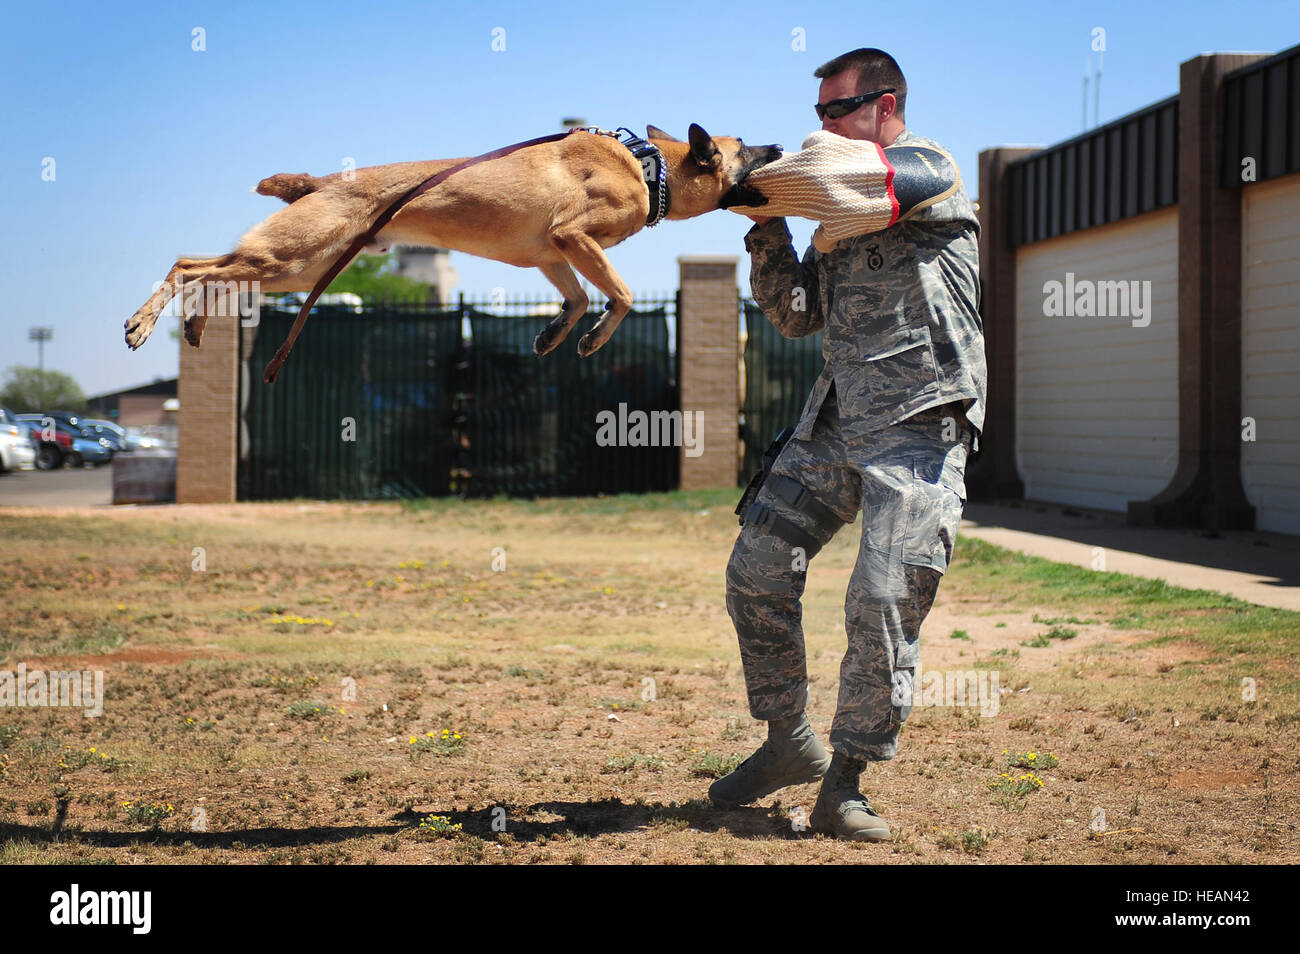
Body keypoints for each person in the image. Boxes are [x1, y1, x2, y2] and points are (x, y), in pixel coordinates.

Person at [712, 48, 987, 841]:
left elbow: (843, 184)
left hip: (918, 420)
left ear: (885, 104)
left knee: (882, 599)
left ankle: (847, 780)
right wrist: (765, 227)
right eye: (819, 113)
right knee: (757, 568)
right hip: (836, 419)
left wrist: (753, 179)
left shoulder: (924, 170)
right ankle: (785, 742)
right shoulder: (837, 223)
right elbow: (798, 314)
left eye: (837, 111)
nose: (822, 126)